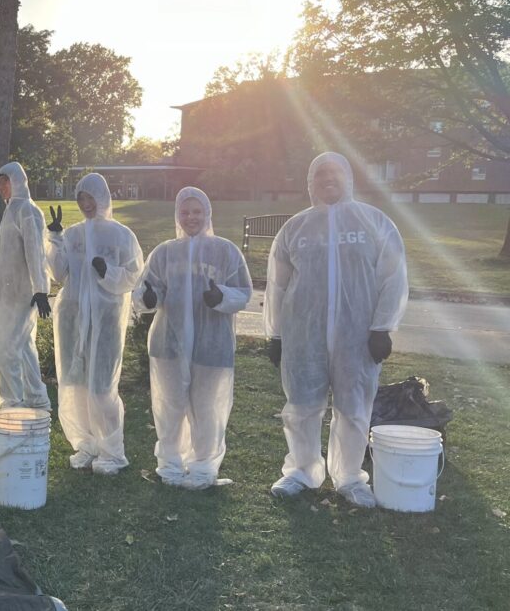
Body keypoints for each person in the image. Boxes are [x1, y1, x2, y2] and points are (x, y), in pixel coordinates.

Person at [265, 152, 408, 508]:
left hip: (357, 336)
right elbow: (277, 286)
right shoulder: (294, 229)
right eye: (320, 174)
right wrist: (276, 334)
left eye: (335, 173)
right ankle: (301, 470)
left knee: (355, 406)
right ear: (310, 182)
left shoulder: (374, 222)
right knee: (301, 404)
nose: (328, 179)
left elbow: (393, 276)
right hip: (303, 335)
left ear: (348, 178)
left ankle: (348, 477)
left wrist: (382, 327)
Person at [133, 187, 252, 489]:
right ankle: (171, 464)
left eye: (197, 211)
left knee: (206, 408)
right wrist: (148, 297)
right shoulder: (164, 252)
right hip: (168, 343)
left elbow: (243, 292)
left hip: (211, 344)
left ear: (207, 213)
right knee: (170, 407)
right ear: (177, 215)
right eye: (185, 212)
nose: (191, 218)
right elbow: (148, 290)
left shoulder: (225, 251)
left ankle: (202, 467)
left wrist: (220, 296)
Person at [45, 173, 143, 476]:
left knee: (102, 386)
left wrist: (108, 271)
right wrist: (55, 238)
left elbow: (133, 275)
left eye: (91, 197)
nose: (86, 204)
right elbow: (60, 274)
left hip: (106, 320)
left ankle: (112, 452)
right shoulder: (73, 234)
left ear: (102, 197)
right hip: (73, 319)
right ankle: (87, 444)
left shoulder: (121, 235)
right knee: (76, 384)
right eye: (81, 199)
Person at [0, 162, 52, 410]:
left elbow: (35, 252)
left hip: (23, 295)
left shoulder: (27, 210)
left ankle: (12, 404)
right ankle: (37, 400)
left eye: (4, 181)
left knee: (5, 350)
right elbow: (0, 256)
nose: (0, 187)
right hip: (8, 296)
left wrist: (40, 289)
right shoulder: (10, 210)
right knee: (24, 349)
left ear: (18, 180)